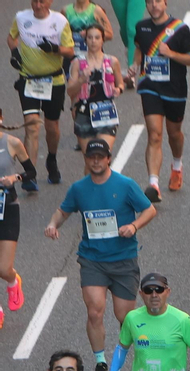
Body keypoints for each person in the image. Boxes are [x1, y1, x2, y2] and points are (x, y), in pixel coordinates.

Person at [42, 135, 155, 371]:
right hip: (92, 259)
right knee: (95, 311)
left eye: (99, 157)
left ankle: (143, 357)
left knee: (125, 317)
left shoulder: (125, 185)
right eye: (91, 157)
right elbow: (63, 211)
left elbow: (150, 209)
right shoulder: (79, 188)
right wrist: (53, 224)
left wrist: (134, 226)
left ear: (108, 159)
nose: (95, 161)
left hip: (124, 259)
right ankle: (101, 363)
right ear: (86, 160)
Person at [132, 0, 190, 201]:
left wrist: (171, 54)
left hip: (175, 89)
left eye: (158, 1)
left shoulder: (180, 29)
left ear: (165, 3)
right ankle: (153, 184)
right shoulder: (141, 27)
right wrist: (135, 66)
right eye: (150, 2)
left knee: (174, 133)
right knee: (154, 134)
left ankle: (177, 165)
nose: (154, 5)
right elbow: (139, 49)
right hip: (150, 86)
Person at [9, 0, 74, 188]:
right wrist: (14, 52)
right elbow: (11, 37)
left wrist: (54, 49)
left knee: (51, 127)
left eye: (42, 2)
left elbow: (70, 51)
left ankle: (51, 159)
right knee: (32, 127)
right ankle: (30, 174)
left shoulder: (60, 21)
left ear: (50, 2)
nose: (37, 6)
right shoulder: (21, 17)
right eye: (34, 1)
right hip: (28, 80)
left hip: (53, 81)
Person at [64, 24, 124, 161]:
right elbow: (70, 91)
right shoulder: (77, 63)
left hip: (106, 112)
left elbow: (120, 83)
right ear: (85, 41)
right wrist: (81, 79)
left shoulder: (112, 61)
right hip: (84, 113)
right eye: (90, 37)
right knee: (90, 161)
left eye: (97, 37)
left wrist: (118, 89)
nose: (93, 41)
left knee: (102, 157)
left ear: (103, 40)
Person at [0, 112, 31, 330]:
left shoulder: (12, 143)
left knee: (3, 268)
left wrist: (15, 178)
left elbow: (31, 172)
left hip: (8, 208)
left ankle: (13, 281)